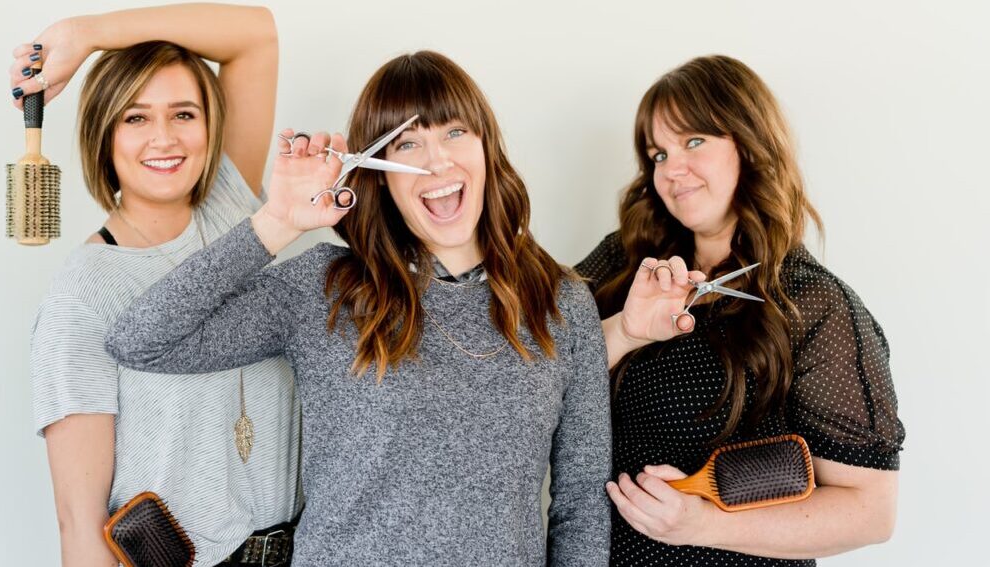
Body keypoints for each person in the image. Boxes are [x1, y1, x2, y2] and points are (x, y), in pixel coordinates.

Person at [105, 50, 611, 566]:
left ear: (487, 147)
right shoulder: (326, 289)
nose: (436, 161)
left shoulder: (562, 304)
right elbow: (142, 340)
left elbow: (582, 504)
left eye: (455, 132)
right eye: (407, 143)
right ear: (380, 174)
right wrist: (277, 221)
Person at [575, 55, 905, 565]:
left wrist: (700, 523)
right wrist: (624, 331)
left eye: (694, 141)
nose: (672, 169)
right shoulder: (623, 264)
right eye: (657, 154)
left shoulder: (814, 306)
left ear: (750, 146)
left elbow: (869, 510)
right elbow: (534, 372)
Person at [19, 4, 301, 565]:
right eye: (135, 118)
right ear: (105, 134)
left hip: (302, 548)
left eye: (184, 114)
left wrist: (86, 35)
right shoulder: (85, 292)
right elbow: (80, 522)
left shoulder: (230, 206)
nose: (165, 139)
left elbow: (256, 36)